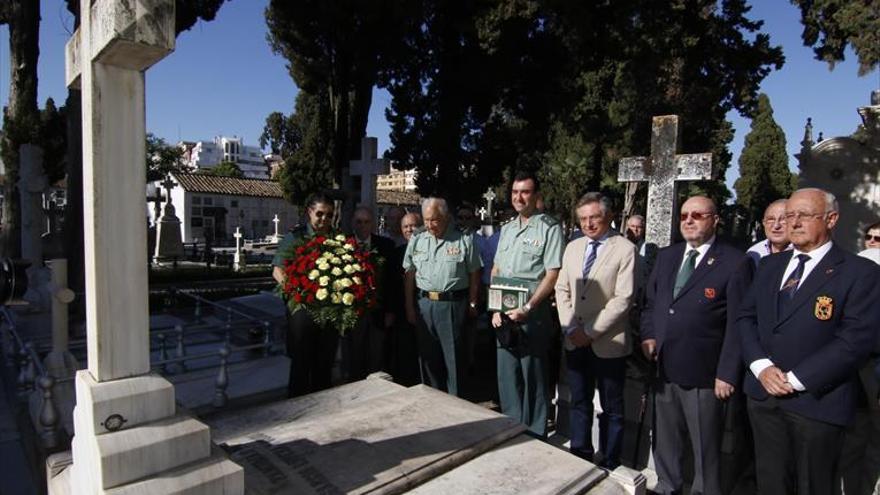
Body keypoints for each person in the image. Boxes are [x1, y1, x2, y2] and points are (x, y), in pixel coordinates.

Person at [739, 188, 880, 495]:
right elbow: (746, 318)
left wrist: (797, 379)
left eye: (804, 215)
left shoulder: (860, 272)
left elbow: (855, 340)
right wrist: (761, 367)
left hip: (817, 402)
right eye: (790, 215)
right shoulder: (770, 266)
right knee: (771, 483)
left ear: (831, 219)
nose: (794, 222)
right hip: (764, 396)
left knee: (812, 486)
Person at [640, 195, 752, 495]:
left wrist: (727, 372)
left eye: (697, 215)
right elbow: (652, 304)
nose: (688, 221)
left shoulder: (735, 261)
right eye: (684, 216)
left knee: (705, 448)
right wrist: (649, 336)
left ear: (715, 220)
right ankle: (667, 487)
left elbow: (739, 323)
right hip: (664, 368)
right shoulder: (667, 256)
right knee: (665, 442)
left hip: (705, 374)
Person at [554, 192, 636, 468]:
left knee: (612, 408)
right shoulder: (573, 247)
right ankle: (580, 454)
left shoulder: (624, 249)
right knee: (579, 401)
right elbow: (561, 288)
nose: (588, 224)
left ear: (608, 217)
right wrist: (570, 328)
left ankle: (610, 460)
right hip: (574, 340)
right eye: (583, 219)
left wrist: (589, 332)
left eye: (594, 218)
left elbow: (623, 299)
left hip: (607, 342)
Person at [491, 171, 563, 436]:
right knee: (507, 374)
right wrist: (495, 308)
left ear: (536, 195)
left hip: (532, 313)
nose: (518, 197)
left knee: (533, 375)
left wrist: (529, 307)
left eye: (525, 192)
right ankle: (511, 428)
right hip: (505, 312)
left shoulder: (549, 228)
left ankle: (534, 432)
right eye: (514, 192)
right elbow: (497, 268)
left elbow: (552, 273)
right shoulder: (507, 229)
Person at [403, 198, 481, 396]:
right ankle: (432, 406)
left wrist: (472, 302)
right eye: (427, 220)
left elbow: (474, 272)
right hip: (425, 305)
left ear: (446, 218)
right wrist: (410, 307)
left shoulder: (463, 240)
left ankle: (457, 409)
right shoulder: (418, 240)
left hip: (453, 305)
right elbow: (409, 273)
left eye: (435, 220)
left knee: (455, 362)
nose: (430, 225)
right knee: (428, 361)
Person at [272, 193, 340, 397]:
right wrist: (298, 293)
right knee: (301, 364)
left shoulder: (337, 238)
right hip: (302, 311)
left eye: (329, 215)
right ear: (309, 212)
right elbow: (277, 270)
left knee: (325, 363)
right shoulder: (296, 237)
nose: (324, 219)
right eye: (319, 214)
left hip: (329, 311)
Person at [343, 206, 396, 381]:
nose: (362, 226)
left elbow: (391, 281)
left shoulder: (386, 246)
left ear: (372, 224)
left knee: (376, 358)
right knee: (354, 358)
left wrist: (390, 311)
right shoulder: (343, 245)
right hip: (352, 314)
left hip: (378, 313)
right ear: (352, 223)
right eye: (358, 221)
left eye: (366, 222)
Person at [387, 212, 423, 385]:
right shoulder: (396, 253)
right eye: (406, 226)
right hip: (402, 312)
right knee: (405, 353)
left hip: (426, 307)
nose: (410, 229)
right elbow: (392, 286)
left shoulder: (428, 249)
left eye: (413, 225)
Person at [746, 199, 792, 266]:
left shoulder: (803, 254)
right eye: (771, 219)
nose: (776, 226)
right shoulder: (754, 253)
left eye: (783, 220)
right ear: (764, 223)